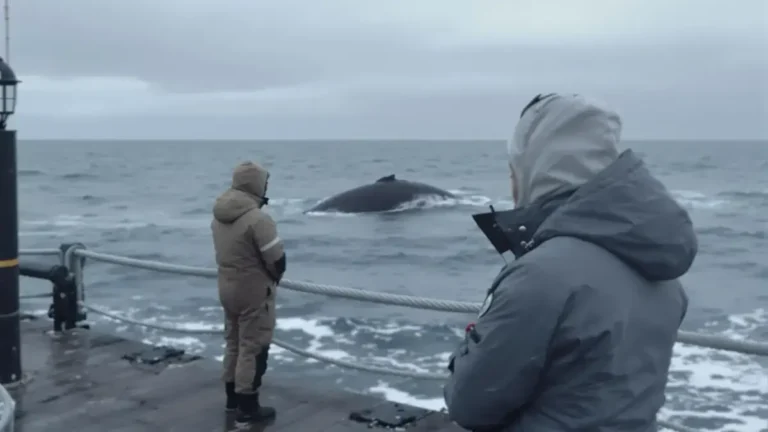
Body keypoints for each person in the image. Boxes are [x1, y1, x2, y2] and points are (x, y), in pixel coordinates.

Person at [444, 94, 696, 431]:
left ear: (532, 170)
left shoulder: (540, 276)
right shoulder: (662, 271)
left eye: (514, 169)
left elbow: (470, 404)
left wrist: (466, 356)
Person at [211, 161, 286, 424]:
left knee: (233, 343)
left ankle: (232, 399)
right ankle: (248, 406)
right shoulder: (258, 219)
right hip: (253, 292)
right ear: (256, 184)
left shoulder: (219, 215)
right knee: (252, 347)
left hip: (227, 287)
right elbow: (276, 261)